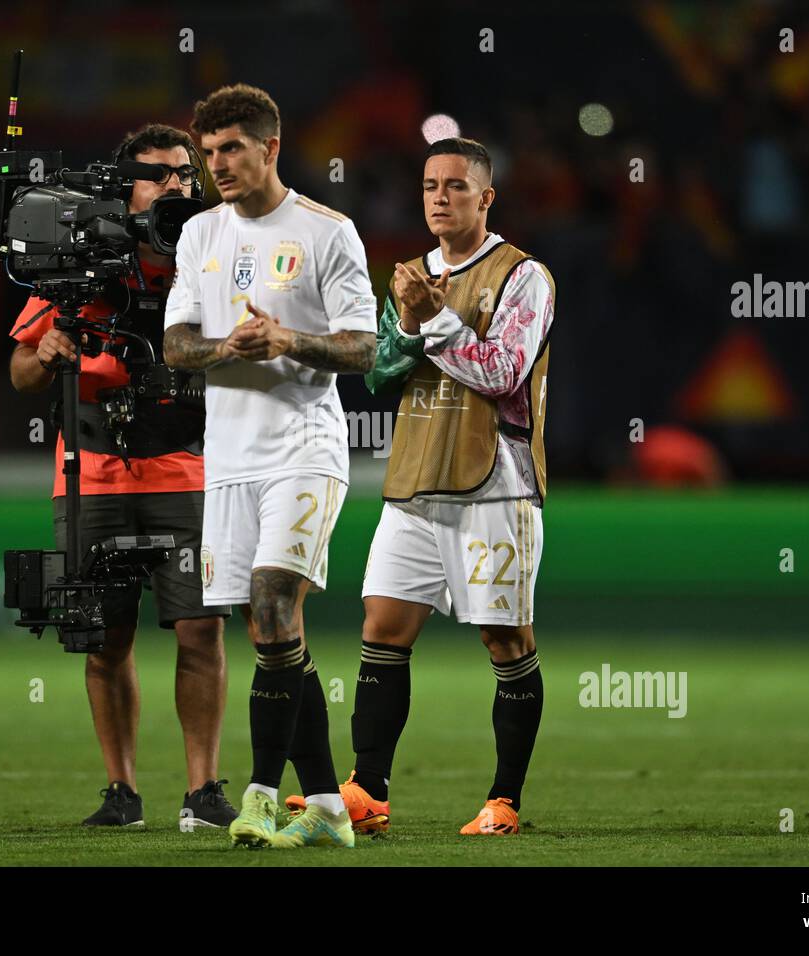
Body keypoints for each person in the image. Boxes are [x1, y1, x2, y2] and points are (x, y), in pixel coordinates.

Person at [292, 137, 555, 836]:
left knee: (504, 639)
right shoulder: (411, 275)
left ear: (485, 198)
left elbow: (502, 374)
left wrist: (434, 320)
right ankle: (367, 790)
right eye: (431, 185)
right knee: (381, 626)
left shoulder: (523, 276)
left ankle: (504, 800)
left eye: (456, 187)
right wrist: (408, 319)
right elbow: (379, 372)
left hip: (493, 480)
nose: (440, 197)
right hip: (416, 475)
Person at [163, 84, 377, 849]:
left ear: (270, 148)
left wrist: (289, 341)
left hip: (304, 450)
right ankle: (326, 802)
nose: (218, 164)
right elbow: (176, 345)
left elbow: (365, 346)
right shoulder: (198, 237)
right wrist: (230, 347)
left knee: (272, 597)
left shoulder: (328, 232)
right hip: (230, 461)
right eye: (208, 151)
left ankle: (258, 796)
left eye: (231, 149)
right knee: (271, 630)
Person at [8, 123, 235, 832]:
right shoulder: (78, 259)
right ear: (122, 186)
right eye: (158, 174)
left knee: (199, 630)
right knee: (104, 640)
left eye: (184, 176)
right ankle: (121, 792)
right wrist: (46, 351)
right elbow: (18, 374)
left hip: (188, 468)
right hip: (94, 472)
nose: (174, 187)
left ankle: (202, 791)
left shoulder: (215, 255)